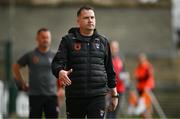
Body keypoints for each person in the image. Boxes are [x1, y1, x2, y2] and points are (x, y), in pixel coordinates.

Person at [51, 5, 118, 119]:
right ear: (78, 21)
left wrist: (114, 95)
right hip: (75, 96)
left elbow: (110, 70)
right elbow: (56, 63)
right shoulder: (68, 40)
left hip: (98, 96)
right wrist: (60, 72)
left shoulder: (103, 41)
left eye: (92, 17)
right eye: (86, 18)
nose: (90, 20)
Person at [12, 28, 59, 119]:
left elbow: (61, 72)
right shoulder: (31, 55)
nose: (45, 40)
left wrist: (61, 88)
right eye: (43, 37)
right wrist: (22, 82)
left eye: (47, 37)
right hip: (35, 95)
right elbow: (16, 67)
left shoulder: (55, 55)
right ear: (37, 39)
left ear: (50, 39)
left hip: (52, 95)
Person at [106, 40, 126, 119]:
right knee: (109, 110)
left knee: (115, 111)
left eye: (116, 48)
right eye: (113, 48)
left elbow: (124, 71)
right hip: (109, 89)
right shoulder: (106, 59)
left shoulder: (120, 59)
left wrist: (124, 76)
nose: (115, 50)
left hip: (120, 89)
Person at [133, 53, 155, 118]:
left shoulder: (148, 66)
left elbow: (148, 76)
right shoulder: (139, 67)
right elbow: (136, 77)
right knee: (141, 107)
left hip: (147, 88)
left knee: (147, 106)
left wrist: (147, 87)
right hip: (140, 89)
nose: (140, 60)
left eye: (141, 59)